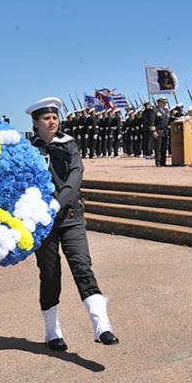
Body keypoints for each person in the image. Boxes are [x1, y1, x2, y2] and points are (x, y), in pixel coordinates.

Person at [26, 97, 119, 350]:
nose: (52, 121)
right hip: (43, 223)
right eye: (46, 118)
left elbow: (76, 175)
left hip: (70, 216)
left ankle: (102, 326)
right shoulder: (28, 150)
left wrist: (58, 202)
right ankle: (52, 332)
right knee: (50, 275)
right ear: (36, 122)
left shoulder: (69, 145)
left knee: (82, 265)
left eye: (55, 117)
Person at [152, 97, 171, 166]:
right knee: (158, 148)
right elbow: (152, 122)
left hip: (165, 132)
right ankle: (158, 163)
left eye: (165, 102)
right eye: (163, 102)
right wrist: (154, 131)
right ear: (159, 102)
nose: (165, 104)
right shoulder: (155, 110)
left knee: (164, 148)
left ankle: (163, 162)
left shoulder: (167, 111)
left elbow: (169, 120)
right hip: (158, 131)